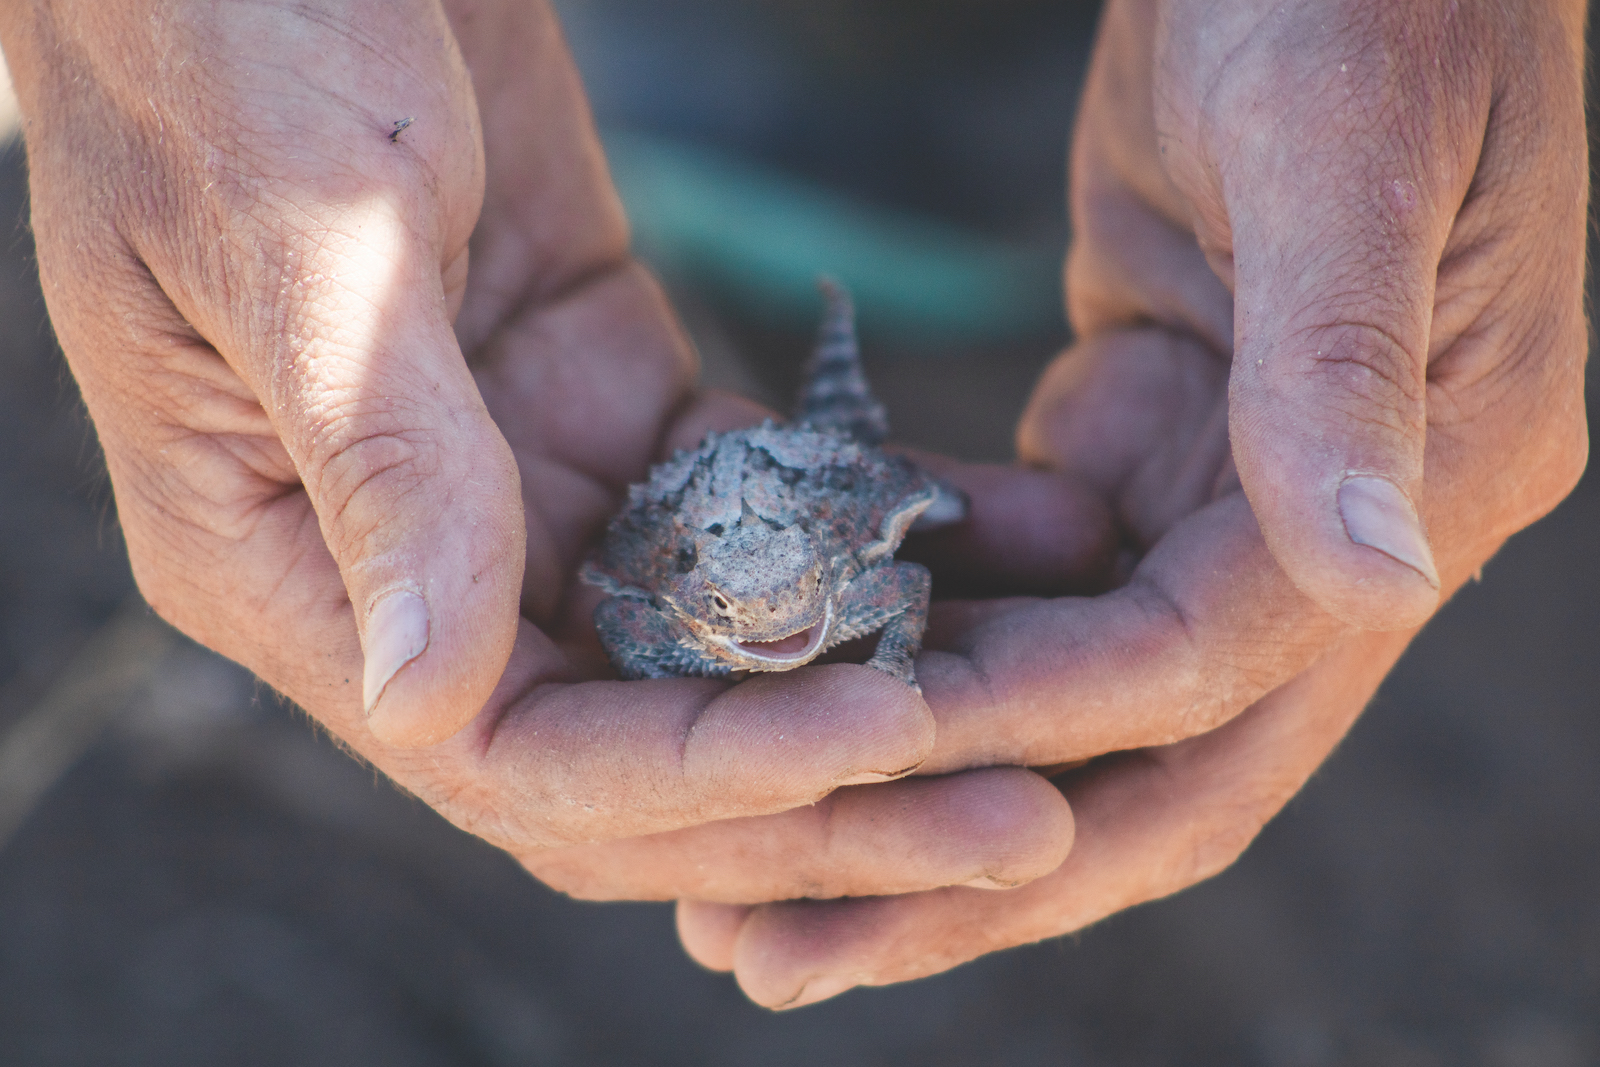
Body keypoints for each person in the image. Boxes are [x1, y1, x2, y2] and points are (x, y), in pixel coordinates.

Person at [0, 0, 1585, 1009]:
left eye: (783, 612)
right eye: (723, 616)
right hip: (668, 410)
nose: (765, 626)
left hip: (812, 474)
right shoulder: (661, 600)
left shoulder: (851, 580)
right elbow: (627, 574)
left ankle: (924, 152)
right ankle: (740, 113)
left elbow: (894, 584)